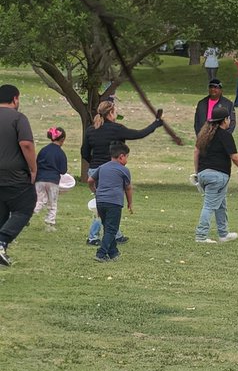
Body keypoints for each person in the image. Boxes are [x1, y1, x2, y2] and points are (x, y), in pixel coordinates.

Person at [83, 99, 165, 245]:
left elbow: (84, 152)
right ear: (110, 113)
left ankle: (116, 234)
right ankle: (93, 236)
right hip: (111, 171)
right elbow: (139, 134)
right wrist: (156, 124)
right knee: (106, 204)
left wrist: (94, 164)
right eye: (115, 111)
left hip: (95, 170)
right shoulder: (116, 129)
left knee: (103, 202)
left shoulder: (90, 130)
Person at [193, 106, 238, 244]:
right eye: (228, 119)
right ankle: (201, 236)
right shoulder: (225, 135)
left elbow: (196, 152)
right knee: (209, 206)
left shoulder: (204, 135)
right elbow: (235, 157)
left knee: (221, 205)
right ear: (224, 120)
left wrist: (198, 172)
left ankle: (223, 234)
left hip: (203, 174)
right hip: (218, 176)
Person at [0, 83, 37, 268]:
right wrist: (33, 169)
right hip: (14, 175)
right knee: (25, 207)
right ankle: (2, 241)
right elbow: (26, 144)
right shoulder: (18, 118)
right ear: (15, 99)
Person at [89, 141, 134, 262]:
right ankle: (101, 253)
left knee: (107, 227)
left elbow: (90, 180)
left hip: (100, 201)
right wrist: (130, 203)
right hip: (114, 202)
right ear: (121, 156)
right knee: (112, 229)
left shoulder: (102, 167)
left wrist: (95, 191)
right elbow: (128, 188)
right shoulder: (124, 170)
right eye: (127, 157)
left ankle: (113, 253)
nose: (127, 160)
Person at [33, 126, 69, 229]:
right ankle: (50, 221)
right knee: (52, 203)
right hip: (53, 180)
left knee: (39, 200)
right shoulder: (60, 153)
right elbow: (63, 170)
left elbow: (36, 163)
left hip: (40, 179)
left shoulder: (43, 150)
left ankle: (28, 215)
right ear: (62, 139)